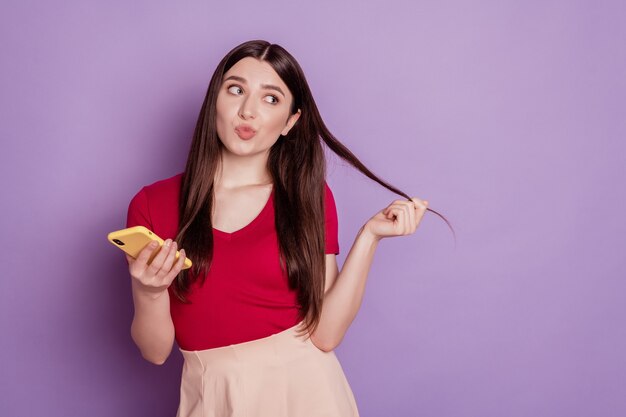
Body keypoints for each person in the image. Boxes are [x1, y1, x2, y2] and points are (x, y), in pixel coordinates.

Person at [124, 40, 450, 417]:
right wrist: (149, 291)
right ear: (215, 100)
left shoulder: (307, 198)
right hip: (210, 396)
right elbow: (155, 351)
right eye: (236, 89)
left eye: (271, 99)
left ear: (290, 122)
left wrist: (369, 237)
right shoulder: (152, 204)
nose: (248, 111)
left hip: (306, 393)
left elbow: (325, 334)